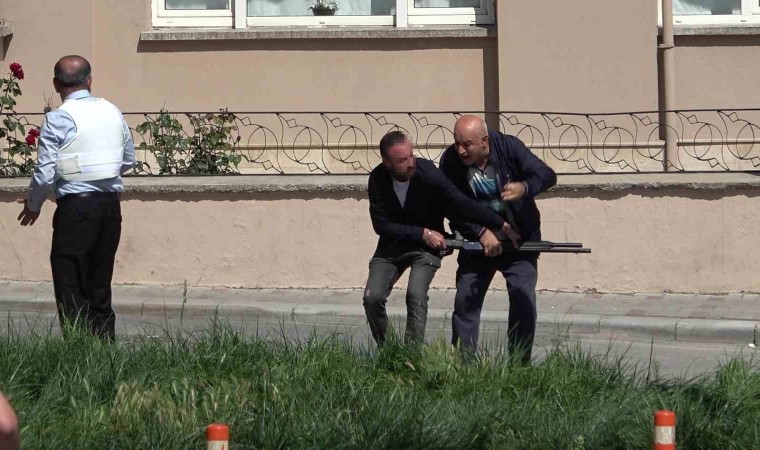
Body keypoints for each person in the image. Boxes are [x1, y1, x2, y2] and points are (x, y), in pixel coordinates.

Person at [17, 55, 135, 340]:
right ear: (90, 81)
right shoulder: (112, 111)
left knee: (71, 284)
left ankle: (78, 350)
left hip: (76, 209)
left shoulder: (57, 118)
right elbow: (128, 159)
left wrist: (33, 205)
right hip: (110, 207)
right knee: (100, 283)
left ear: (56, 84)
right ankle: (104, 349)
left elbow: (45, 172)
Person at [363, 130, 514, 345]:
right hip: (391, 247)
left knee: (415, 295)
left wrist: (499, 224)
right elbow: (381, 225)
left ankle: (411, 355)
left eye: (411, 155)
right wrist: (422, 233)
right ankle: (389, 351)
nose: (410, 163)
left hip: (426, 250)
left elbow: (459, 203)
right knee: (372, 298)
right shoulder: (377, 179)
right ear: (387, 163)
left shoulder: (426, 172)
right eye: (402, 160)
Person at [439, 115, 557, 363]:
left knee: (523, 297)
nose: (460, 150)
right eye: (457, 143)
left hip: (519, 239)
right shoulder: (450, 161)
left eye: (467, 144)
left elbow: (547, 175)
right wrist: (481, 232)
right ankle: (463, 367)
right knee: (466, 300)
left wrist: (524, 187)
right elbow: (450, 204)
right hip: (477, 241)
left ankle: (518, 367)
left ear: (484, 141)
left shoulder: (509, 147)